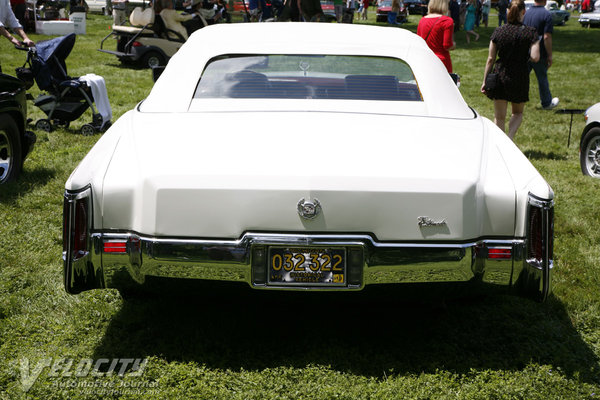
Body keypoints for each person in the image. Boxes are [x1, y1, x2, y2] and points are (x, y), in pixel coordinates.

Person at [481, 0, 540, 140]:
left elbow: (490, 58)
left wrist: (484, 81)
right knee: (517, 113)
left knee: (499, 117)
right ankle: (510, 137)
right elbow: (535, 57)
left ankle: (502, 144)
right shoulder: (530, 33)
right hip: (519, 76)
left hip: (500, 75)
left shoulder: (499, 31)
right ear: (523, 12)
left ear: (508, 11)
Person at [524, 0, 559, 109]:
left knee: (522, 77)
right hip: (539, 52)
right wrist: (549, 55)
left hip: (525, 50)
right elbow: (546, 37)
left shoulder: (527, 13)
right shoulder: (546, 14)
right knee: (542, 78)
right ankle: (546, 102)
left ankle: (515, 100)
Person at [417, 0, 455, 73]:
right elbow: (447, 45)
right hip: (441, 61)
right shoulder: (447, 21)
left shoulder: (422, 20)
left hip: (425, 60)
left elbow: (419, 42)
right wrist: (454, 45)